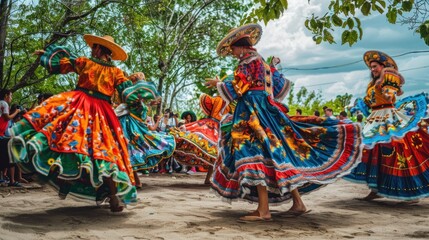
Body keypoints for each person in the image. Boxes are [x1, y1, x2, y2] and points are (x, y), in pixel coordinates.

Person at [206, 23, 363, 222]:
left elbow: (240, 87)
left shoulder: (247, 61)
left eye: (234, 49)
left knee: (255, 153)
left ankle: (263, 210)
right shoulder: (263, 63)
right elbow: (279, 88)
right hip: (267, 110)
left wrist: (218, 84)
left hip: (252, 112)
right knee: (276, 154)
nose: (234, 53)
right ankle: (298, 203)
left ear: (242, 46)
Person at [8, 34, 138, 212]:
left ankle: (69, 175)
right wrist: (140, 93)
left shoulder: (86, 62)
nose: (92, 50)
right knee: (104, 151)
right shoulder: (117, 73)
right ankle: (113, 196)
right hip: (102, 114)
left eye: (94, 47)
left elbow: (63, 62)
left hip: (81, 107)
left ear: (99, 49)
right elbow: (127, 92)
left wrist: (46, 55)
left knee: (69, 139)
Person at [344, 50, 429, 201]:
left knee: (397, 151)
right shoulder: (372, 84)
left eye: (375, 66)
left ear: (382, 66)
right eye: (371, 67)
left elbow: (391, 95)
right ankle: (375, 189)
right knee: (371, 151)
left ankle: (411, 191)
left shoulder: (388, 77)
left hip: (388, 117)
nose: (372, 69)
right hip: (374, 118)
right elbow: (370, 102)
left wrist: (388, 90)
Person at [114, 72, 176, 186]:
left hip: (137, 127)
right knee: (130, 152)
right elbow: (135, 108)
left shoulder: (137, 101)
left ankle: (134, 181)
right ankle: (132, 181)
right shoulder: (130, 100)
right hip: (130, 128)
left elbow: (141, 110)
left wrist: (151, 104)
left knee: (133, 152)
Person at [170, 94, 231, 183]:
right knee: (215, 152)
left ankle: (209, 179)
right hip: (214, 126)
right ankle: (210, 179)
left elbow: (207, 102)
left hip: (217, 127)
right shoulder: (223, 101)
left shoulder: (224, 103)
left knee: (216, 154)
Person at [0, 89, 24, 187]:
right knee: (8, 156)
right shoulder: (4, 104)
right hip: (1, 135)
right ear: (6, 95)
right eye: (11, 96)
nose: (11, 98)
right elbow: (7, 118)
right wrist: (16, 111)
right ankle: (11, 180)